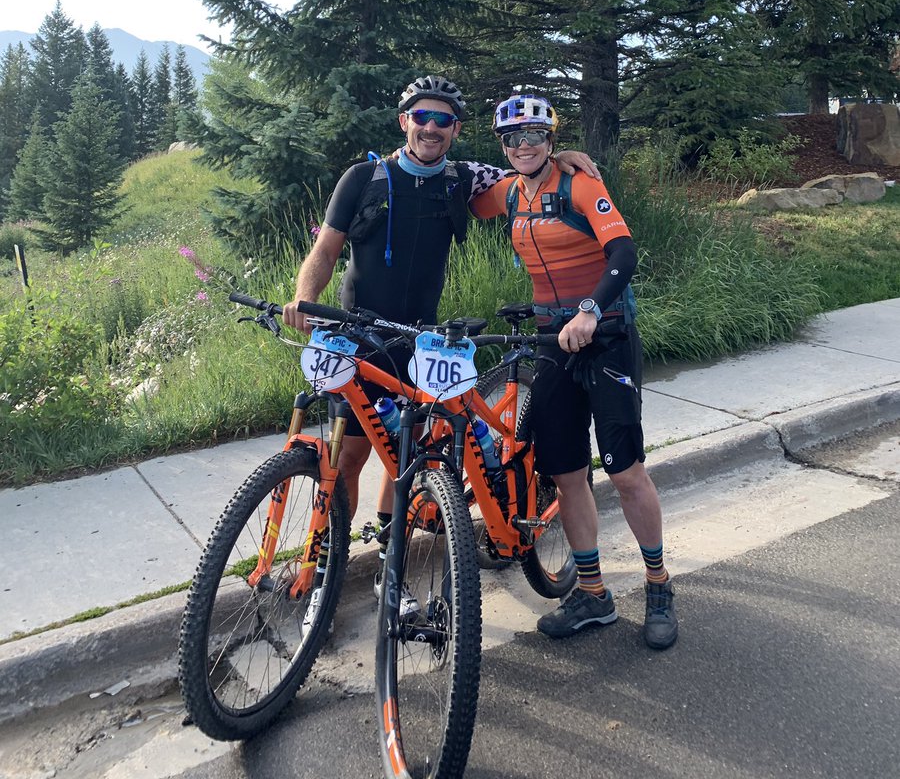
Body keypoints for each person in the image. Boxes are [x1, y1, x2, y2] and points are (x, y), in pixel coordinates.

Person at [281, 76, 599, 604]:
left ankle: (391, 565)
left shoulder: (462, 178)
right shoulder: (364, 177)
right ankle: (327, 571)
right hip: (360, 339)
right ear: (403, 121)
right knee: (350, 458)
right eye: (422, 117)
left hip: (419, 342)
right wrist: (303, 299)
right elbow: (326, 251)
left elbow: (525, 173)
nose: (431, 128)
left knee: (405, 456)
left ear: (456, 129)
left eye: (443, 120)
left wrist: (559, 156)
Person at [469, 93, 677, 649]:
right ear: (503, 146)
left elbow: (624, 253)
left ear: (551, 139)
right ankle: (592, 593)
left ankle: (659, 585)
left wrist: (590, 311)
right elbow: (457, 190)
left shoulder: (579, 184)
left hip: (606, 337)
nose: (524, 146)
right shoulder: (508, 193)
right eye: (512, 139)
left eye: (535, 136)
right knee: (565, 472)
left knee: (625, 471)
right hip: (551, 341)